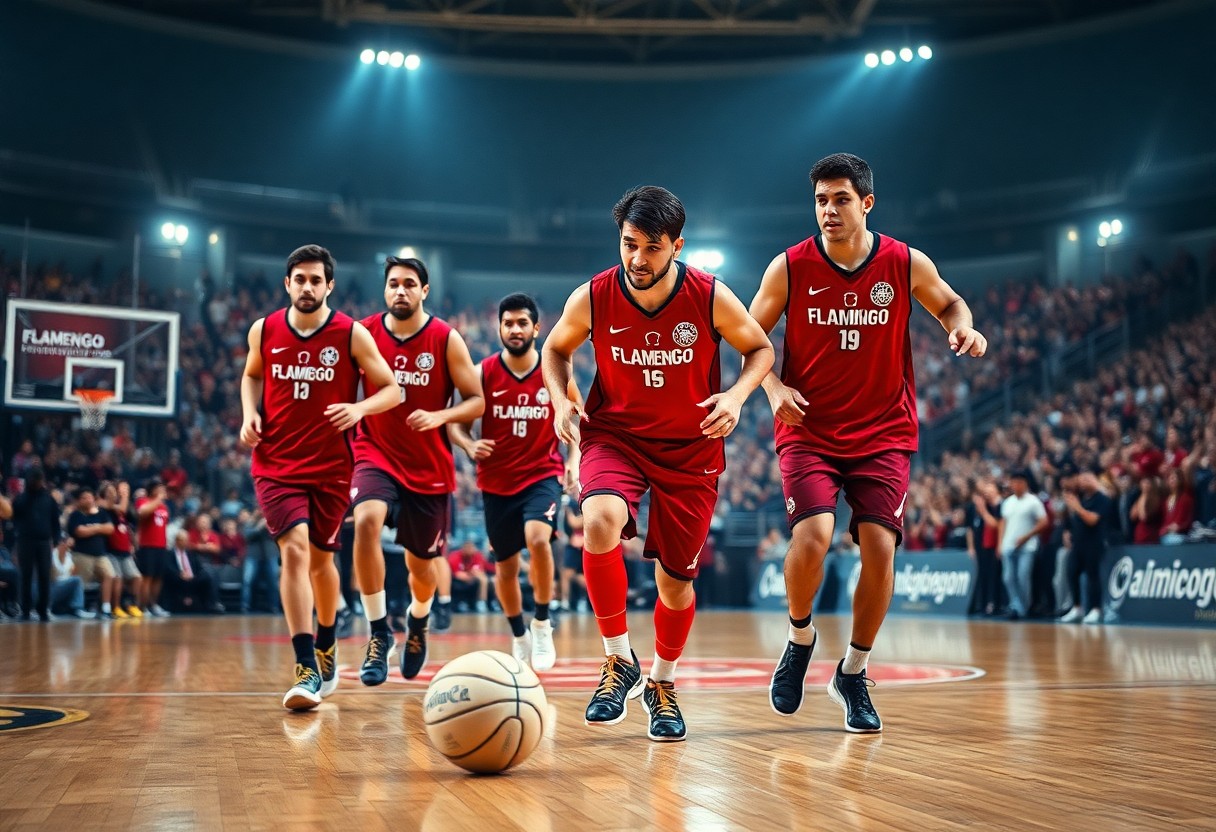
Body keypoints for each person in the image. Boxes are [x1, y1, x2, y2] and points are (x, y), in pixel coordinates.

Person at [748, 153, 987, 733]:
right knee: (814, 537)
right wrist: (773, 387)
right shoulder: (790, 267)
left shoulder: (903, 262)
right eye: (821, 201)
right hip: (809, 429)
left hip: (883, 431)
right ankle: (800, 636)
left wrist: (963, 325)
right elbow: (747, 337)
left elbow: (950, 302)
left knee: (879, 547)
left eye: (841, 199)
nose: (829, 211)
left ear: (867, 203)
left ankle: (853, 672)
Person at [542, 185, 774, 742]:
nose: (637, 260)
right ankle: (617, 659)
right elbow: (555, 350)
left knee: (674, 585)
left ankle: (661, 683)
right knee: (598, 521)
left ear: (677, 246)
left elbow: (761, 349)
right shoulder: (593, 296)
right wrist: (559, 398)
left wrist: (737, 397)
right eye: (628, 245)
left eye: (651, 248)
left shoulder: (709, 295)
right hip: (615, 435)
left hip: (690, 450)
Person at [240, 244, 400, 711]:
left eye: (316, 280)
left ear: (329, 285)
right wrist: (250, 413)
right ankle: (306, 663)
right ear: (287, 283)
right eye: (299, 279)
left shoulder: (350, 334)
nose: (307, 287)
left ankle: (328, 639)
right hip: (276, 465)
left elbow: (391, 390)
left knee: (321, 561)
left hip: (332, 467)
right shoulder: (264, 330)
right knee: (293, 551)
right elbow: (252, 376)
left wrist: (358, 407)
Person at [349, 255, 483, 686]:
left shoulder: (445, 338)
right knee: (366, 522)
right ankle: (378, 632)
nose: (400, 291)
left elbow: (475, 400)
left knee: (422, 569)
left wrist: (441, 418)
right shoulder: (364, 333)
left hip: (428, 465)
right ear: (385, 290)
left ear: (425, 291)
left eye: (409, 284)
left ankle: (418, 619)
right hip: (376, 451)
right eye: (393, 284)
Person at [450, 292, 575, 670]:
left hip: (542, 474)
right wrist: (468, 445)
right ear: (498, 327)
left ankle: (541, 622)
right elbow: (458, 424)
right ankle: (518, 632)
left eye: (523, 322)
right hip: (496, 482)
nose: (515, 329)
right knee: (504, 567)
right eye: (508, 323)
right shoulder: (480, 373)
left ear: (537, 328)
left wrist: (575, 461)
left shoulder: (556, 372)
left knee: (539, 539)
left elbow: (578, 421)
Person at [1059, 470, 1114, 624]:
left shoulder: (1102, 499)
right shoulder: (1083, 499)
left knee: (1093, 576)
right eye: (1081, 479)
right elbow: (1074, 520)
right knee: (1071, 572)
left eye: (1086, 479)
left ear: (1093, 480)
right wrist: (1068, 532)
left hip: (1094, 543)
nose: (1082, 482)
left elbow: (1093, 520)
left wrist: (1077, 508)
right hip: (1078, 544)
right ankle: (1077, 608)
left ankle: (1096, 609)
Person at [9, 468, 61, 621]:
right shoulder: (21, 498)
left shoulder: (49, 499)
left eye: (39, 480)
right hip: (25, 541)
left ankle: (43, 610)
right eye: (35, 480)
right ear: (29, 480)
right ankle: (25, 610)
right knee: (25, 575)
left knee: (45, 575)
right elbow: (14, 518)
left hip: (44, 542)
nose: (37, 483)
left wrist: (56, 539)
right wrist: (17, 538)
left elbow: (55, 521)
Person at [998, 471, 1049, 620]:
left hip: (1027, 547)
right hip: (1008, 545)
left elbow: (1043, 522)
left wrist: (1027, 536)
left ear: (1025, 483)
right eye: (1013, 482)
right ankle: (1015, 605)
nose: (1016, 485)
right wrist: (1000, 543)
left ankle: (1023, 607)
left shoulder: (1033, 501)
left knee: (1022, 577)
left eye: (1019, 482)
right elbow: (1003, 522)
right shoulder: (1008, 502)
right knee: (1008, 577)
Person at [65, 488, 119, 618]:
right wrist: (100, 528)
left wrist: (91, 528)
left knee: (109, 576)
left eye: (90, 497)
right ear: (79, 501)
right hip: (82, 554)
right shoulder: (76, 515)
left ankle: (106, 608)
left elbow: (110, 529)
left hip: (101, 554)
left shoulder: (102, 513)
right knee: (80, 583)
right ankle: (78, 608)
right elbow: (79, 532)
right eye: (84, 498)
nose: (87, 500)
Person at [100, 481, 143, 618]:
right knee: (118, 579)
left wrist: (132, 543)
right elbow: (121, 508)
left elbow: (131, 520)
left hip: (125, 551)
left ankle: (131, 604)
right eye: (122, 489)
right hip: (111, 550)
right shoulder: (107, 507)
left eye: (127, 489)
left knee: (137, 577)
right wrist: (124, 497)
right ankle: (116, 607)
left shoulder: (123, 511)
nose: (124, 492)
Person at [135, 480, 173, 617]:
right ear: (152, 489)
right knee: (147, 577)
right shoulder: (143, 501)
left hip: (161, 546)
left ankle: (154, 605)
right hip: (147, 546)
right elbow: (142, 513)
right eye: (160, 488)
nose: (163, 491)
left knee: (158, 577)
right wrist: (158, 500)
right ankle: (143, 607)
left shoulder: (164, 507)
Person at [164, 531, 222, 613]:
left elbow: (199, 567)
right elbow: (168, 568)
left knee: (208, 576)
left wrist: (194, 575)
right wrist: (179, 574)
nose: (186, 542)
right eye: (183, 540)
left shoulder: (191, 553)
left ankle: (212, 605)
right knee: (171, 578)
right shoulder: (170, 554)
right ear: (177, 541)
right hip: (178, 578)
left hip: (193, 578)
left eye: (187, 540)